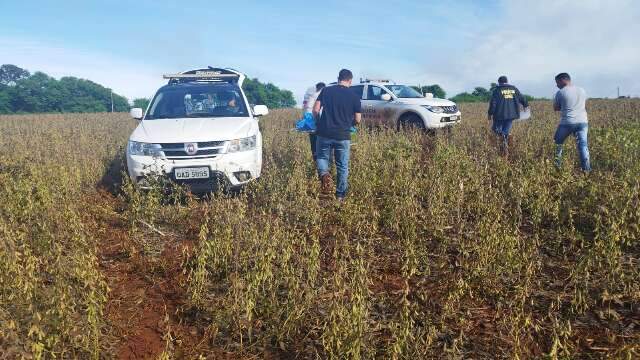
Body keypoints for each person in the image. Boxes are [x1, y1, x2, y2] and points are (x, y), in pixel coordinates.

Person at [313, 69, 361, 201]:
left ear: (338, 78)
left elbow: (316, 110)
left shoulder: (326, 90)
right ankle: (340, 196)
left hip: (324, 132)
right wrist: (349, 125)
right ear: (350, 81)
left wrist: (318, 123)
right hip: (343, 135)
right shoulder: (354, 96)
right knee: (342, 166)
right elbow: (357, 119)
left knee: (322, 157)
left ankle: (324, 174)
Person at [553, 73, 591, 172]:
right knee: (583, 145)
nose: (557, 85)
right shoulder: (582, 90)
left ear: (563, 80)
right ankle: (586, 170)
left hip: (567, 122)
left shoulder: (560, 92)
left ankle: (557, 167)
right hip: (583, 121)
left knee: (557, 143)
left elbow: (556, 108)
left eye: (557, 82)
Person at [488, 76, 529, 155]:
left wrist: (490, 113)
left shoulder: (497, 90)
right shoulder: (514, 89)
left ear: (499, 82)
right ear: (507, 81)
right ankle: (505, 142)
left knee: (496, 130)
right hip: (511, 115)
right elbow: (522, 98)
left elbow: (493, 103)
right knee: (505, 131)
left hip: (499, 115)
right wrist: (525, 105)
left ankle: (503, 145)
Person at [302, 82, 326, 162]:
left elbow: (305, 107)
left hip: (309, 121)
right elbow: (317, 110)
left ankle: (315, 159)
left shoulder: (309, 94)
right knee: (319, 142)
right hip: (316, 121)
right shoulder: (318, 95)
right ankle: (319, 160)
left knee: (313, 142)